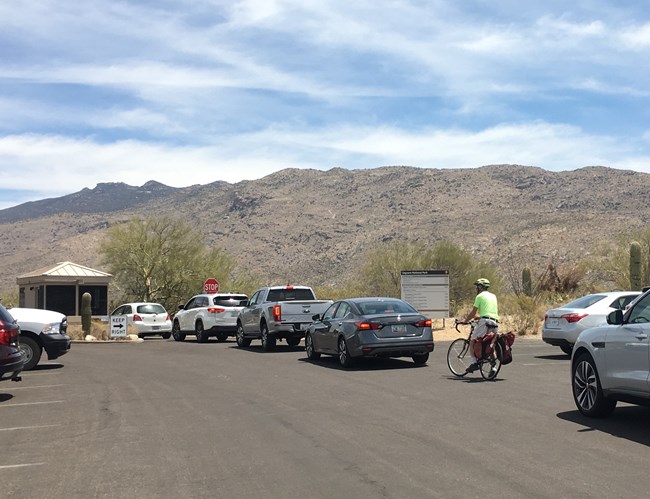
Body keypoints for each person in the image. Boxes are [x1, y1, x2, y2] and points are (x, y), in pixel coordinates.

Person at [462, 278, 499, 373]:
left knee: (473, 341)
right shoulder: (493, 296)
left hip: (485, 322)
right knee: (491, 344)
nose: (476, 289)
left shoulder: (479, 296)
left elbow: (473, 312)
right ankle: (493, 367)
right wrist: (480, 317)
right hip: (494, 322)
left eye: (477, 287)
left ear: (480, 287)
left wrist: (465, 321)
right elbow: (489, 312)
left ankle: (474, 363)